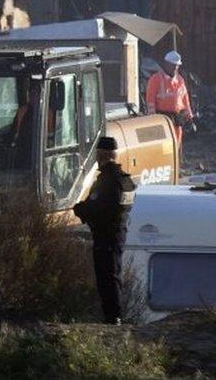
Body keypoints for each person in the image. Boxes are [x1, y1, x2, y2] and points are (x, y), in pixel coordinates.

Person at [74, 136, 136, 325]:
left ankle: (113, 317)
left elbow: (94, 207)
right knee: (113, 275)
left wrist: (79, 209)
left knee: (106, 277)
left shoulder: (107, 181)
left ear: (101, 155)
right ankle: (114, 315)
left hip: (105, 236)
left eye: (98, 155)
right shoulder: (126, 181)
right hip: (118, 234)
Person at [145, 50, 195, 146]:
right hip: (162, 118)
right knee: (164, 145)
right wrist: (153, 119)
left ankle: (175, 160)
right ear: (166, 64)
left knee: (176, 143)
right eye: (173, 65)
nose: (175, 67)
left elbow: (185, 100)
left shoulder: (180, 80)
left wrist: (189, 118)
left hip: (177, 119)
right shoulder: (155, 79)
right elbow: (150, 100)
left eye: (177, 65)